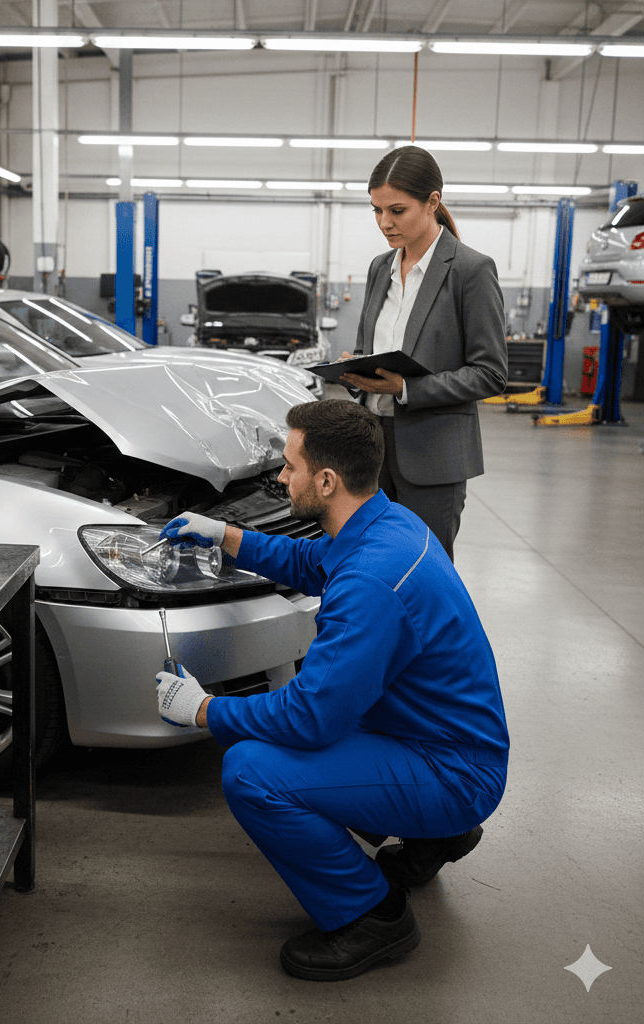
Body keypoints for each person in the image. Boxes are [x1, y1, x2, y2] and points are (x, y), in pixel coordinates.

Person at [154, 400, 509, 982]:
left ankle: (373, 916)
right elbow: (308, 558)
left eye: (290, 466)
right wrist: (223, 535)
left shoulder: (371, 581)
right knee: (338, 715)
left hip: (452, 770)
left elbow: (308, 718)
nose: (281, 477)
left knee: (251, 771)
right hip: (449, 742)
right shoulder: (386, 523)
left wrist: (203, 710)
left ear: (326, 479)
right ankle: (437, 834)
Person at [338, 145, 507, 561]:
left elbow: (490, 373)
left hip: (433, 457)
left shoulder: (470, 270)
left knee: (423, 572)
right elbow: (368, 346)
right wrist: (356, 370)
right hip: (373, 449)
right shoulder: (381, 267)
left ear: (432, 202)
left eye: (397, 210)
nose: (384, 223)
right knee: (373, 567)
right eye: (376, 211)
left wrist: (407, 388)